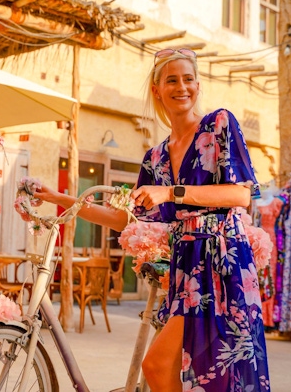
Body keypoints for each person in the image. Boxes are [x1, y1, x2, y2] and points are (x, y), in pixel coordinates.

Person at [34, 48, 270, 391]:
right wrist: (63, 201)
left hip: (223, 261)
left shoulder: (218, 125)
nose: (182, 87)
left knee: (172, 367)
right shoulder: (156, 157)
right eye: (171, 80)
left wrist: (172, 193)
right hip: (186, 266)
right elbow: (123, 219)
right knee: (171, 370)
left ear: (199, 85)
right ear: (157, 90)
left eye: (188, 79)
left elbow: (240, 195)